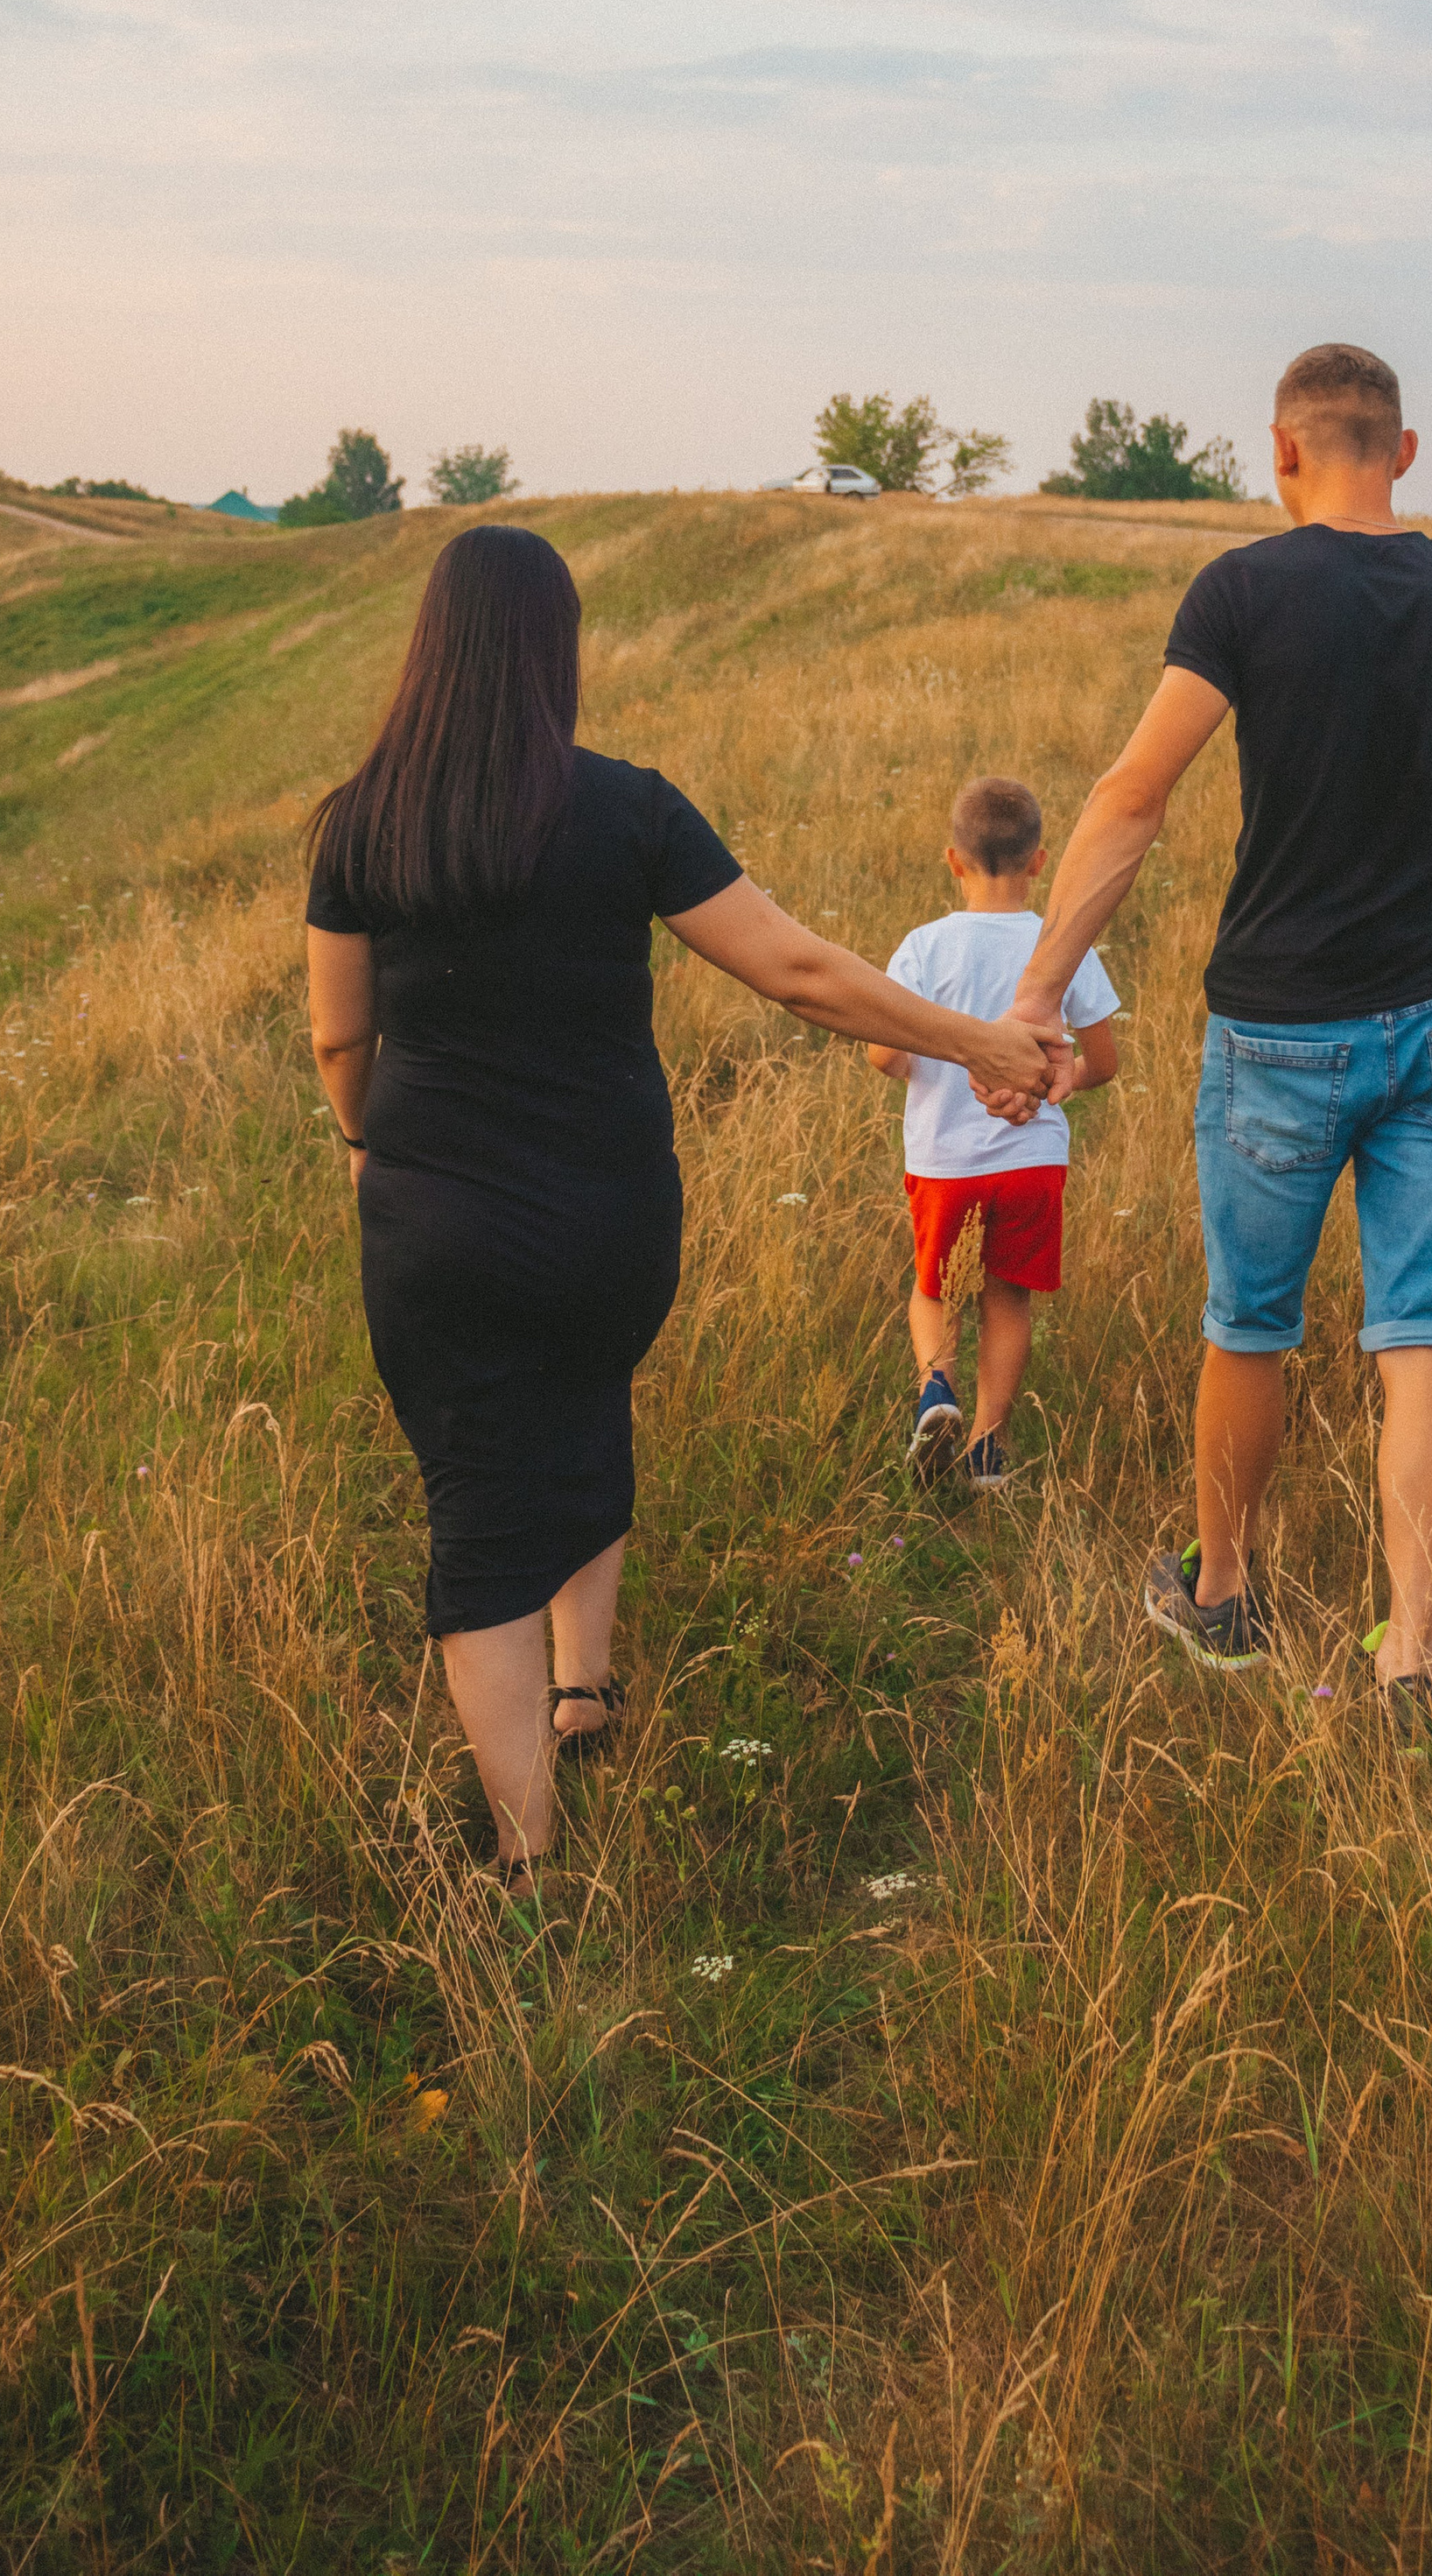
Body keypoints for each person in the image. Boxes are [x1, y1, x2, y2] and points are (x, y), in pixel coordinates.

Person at [305, 525, 1053, 1881]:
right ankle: (584, 1688)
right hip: (608, 1213)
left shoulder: (361, 823)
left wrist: (367, 1143)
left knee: (478, 1502)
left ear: (431, 648)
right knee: (588, 1402)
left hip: (435, 1225)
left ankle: (529, 1857)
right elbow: (800, 972)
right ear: (557, 654)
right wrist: (987, 1043)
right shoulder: (629, 809)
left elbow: (337, 1042)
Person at [983, 344, 1432, 1728]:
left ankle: (1221, 1596)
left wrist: (1041, 994)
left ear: (1283, 452)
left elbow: (1135, 799)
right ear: (1408, 451)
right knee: (1425, 1333)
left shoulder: (1243, 590)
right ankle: (1417, 1659)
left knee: (1248, 1325)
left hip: (1277, 1030)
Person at [865, 776, 1122, 1490]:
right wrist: (1046, 1081)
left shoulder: (923, 948)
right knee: (1007, 1296)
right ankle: (988, 1447)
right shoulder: (1060, 944)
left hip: (943, 1160)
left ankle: (934, 1392)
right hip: (1032, 1160)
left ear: (953, 860)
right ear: (1041, 861)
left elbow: (885, 1053)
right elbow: (1102, 1061)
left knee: (935, 1287)